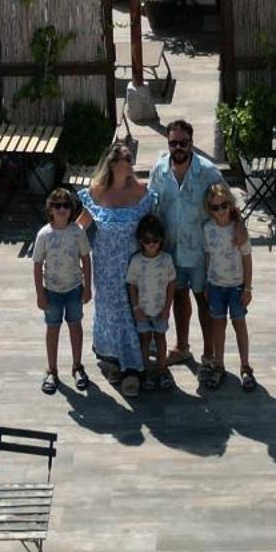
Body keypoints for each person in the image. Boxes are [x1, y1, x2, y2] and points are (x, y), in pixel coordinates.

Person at [78, 140, 156, 395]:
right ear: (113, 163)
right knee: (110, 311)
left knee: (132, 311)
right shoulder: (97, 192)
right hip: (105, 265)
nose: (131, 163)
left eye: (132, 158)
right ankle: (112, 359)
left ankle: (133, 368)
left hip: (134, 265)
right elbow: (82, 225)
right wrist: (59, 244)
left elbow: (153, 227)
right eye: (126, 158)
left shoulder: (142, 193)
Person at [147, 119, 223, 364]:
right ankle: (182, 346)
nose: (178, 147)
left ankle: (209, 354)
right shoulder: (158, 170)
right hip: (171, 249)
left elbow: (228, 204)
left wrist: (238, 232)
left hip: (201, 251)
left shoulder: (208, 172)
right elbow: (151, 206)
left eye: (183, 143)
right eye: (173, 143)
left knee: (204, 301)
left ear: (191, 143)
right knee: (179, 298)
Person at [32, 188, 93, 395]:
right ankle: (52, 370)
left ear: (72, 209)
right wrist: (40, 294)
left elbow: (85, 258)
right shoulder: (44, 235)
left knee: (75, 326)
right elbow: (37, 264)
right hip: (52, 292)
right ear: (50, 209)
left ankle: (77, 366)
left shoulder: (78, 232)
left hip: (74, 289)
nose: (62, 209)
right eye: (57, 205)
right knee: (53, 329)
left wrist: (87, 287)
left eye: (66, 205)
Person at [200, 185, 256, 391]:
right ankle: (219, 364)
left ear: (230, 205)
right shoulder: (207, 228)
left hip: (236, 287)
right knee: (218, 326)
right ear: (209, 209)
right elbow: (207, 256)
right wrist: (206, 281)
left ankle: (245, 366)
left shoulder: (239, 229)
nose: (220, 210)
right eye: (215, 207)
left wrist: (248, 288)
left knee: (239, 324)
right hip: (215, 285)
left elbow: (247, 259)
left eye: (224, 205)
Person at [124, 213, 177, 391]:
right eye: (147, 240)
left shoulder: (167, 260)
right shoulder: (136, 261)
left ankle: (162, 370)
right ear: (140, 241)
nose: (152, 243)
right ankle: (146, 371)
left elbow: (171, 284)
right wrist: (136, 307)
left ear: (161, 239)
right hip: (143, 310)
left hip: (160, 308)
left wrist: (168, 307)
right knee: (144, 340)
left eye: (155, 239)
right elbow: (131, 285)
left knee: (161, 339)